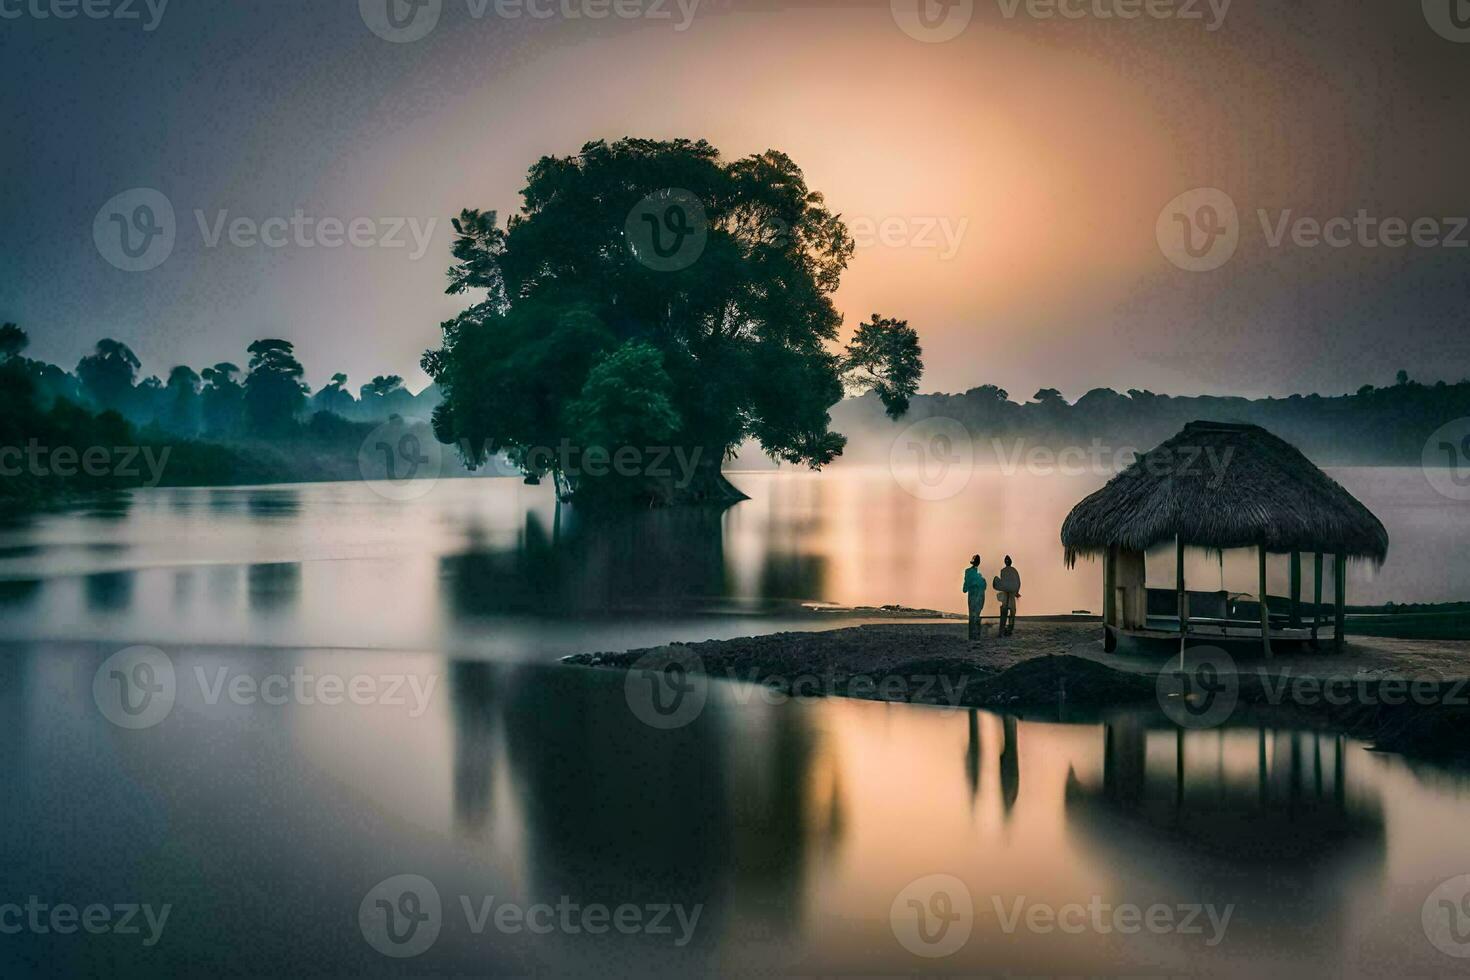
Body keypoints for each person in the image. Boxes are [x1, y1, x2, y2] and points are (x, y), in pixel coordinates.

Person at [994, 555, 1021, 637]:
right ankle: (1009, 630)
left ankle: (1002, 631)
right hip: (1011, 594)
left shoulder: (1003, 571)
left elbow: (1003, 583)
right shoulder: (1014, 570)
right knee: (1012, 613)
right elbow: (1018, 583)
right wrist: (1016, 592)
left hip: (1006, 595)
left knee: (1004, 613)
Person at [963, 554, 986, 641]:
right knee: (976, 615)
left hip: (973, 595)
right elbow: (983, 585)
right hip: (978, 596)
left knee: (972, 616)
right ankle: (976, 636)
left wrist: (966, 588)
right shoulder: (979, 574)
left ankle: (972, 636)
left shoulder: (968, 571)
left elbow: (966, 585)